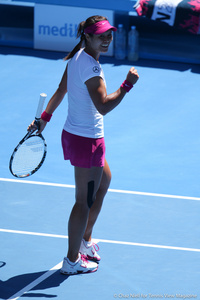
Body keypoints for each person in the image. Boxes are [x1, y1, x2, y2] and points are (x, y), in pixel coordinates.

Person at [28, 15, 139, 275]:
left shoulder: (78, 57)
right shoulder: (91, 69)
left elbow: (60, 89)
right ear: (87, 37)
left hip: (79, 137)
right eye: (101, 35)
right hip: (87, 140)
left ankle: (85, 241)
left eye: (109, 34)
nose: (107, 39)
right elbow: (103, 106)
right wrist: (126, 86)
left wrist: (44, 118)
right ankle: (71, 260)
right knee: (83, 201)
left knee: (104, 182)